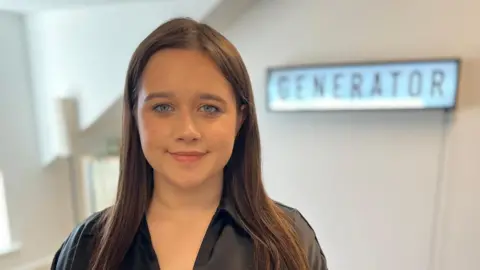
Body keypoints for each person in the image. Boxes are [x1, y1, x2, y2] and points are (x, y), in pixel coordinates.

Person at [51, 17, 328, 270]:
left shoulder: (290, 242)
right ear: (134, 115)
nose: (187, 131)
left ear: (240, 119)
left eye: (209, 108)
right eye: (162, 107)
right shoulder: (85, 249)